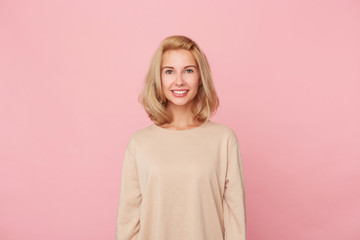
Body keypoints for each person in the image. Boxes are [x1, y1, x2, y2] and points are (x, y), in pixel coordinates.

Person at [116, 35, 246, 240]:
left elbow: (235, 219)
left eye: (188, 70)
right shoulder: (139, 143)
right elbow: (128, 222)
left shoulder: (224, 140)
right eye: (169, 71)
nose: (179, 81)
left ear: (200, 77)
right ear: (159, 78)